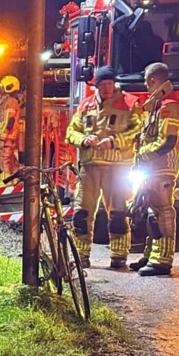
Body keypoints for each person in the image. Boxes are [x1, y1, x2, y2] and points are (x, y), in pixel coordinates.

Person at [65, 66, 144, 270]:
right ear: (97, 85)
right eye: (103, 84)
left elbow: (138, 131)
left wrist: (115, 140)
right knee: (82, 213)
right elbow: (71, 131)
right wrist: (84, 139)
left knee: (118, 213)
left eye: (110, 83)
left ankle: (119, 255)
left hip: (118, 168)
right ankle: (81, 255)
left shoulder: (129, 103)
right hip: (90, 168)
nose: (107, 87)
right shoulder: (86, 105)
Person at [130, 61, 179, 276]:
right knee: (152, 211)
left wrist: (142, 153)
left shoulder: (168, 104)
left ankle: (162, 261)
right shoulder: (158, 103)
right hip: (154, 166)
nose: (145, 87)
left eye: (146, 83)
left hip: (163, 165)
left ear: (154, 80)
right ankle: (151, 255)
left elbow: (167, 141)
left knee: (162, 212)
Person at [0, 76, 22, 177]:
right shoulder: (9, 101)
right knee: (11, 161)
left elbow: (10, 121)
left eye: (2, 87)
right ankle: (15, 180)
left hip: (8, 138)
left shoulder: (11, 102)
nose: (0, 89)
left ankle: (6, 183)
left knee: (4, 162)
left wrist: (3, 136)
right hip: (9, 137)